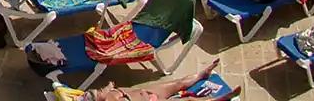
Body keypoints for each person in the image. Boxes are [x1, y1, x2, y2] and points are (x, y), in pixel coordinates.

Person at [75, 59, 221, 101]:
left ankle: (202, 74)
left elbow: (112, 88)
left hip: (147, 92)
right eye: (96, 93)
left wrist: (109, 87)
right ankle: (215, 100)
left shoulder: (108, 94)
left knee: (179, 83)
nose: (98, 90)